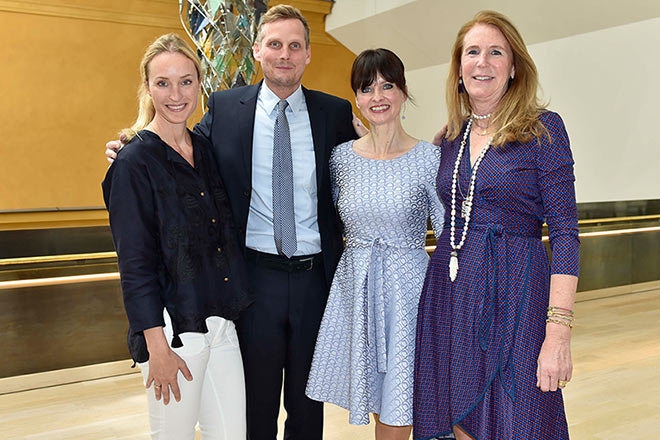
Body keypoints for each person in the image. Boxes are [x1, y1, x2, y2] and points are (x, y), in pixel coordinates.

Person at [106, 5, 359, 439]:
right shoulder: (226, 109)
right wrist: (130, 143)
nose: (284, 54)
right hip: (252, 281)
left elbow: (367, 163)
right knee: (251, 410)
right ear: (258, 50)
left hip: (316, 279)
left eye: (294, 45)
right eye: (275, 44)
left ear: (308, 54)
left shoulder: (334, 114)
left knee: (308, 408)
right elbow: (171, 148)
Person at [413, 10, 580, 440]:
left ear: (513, 68)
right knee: (459, 422)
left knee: (520, 417)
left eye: (495, 52)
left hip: (517, 298)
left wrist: (558, 330)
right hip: (451, 296)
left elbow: (564, 232)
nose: (482, 62)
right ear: (459, 68)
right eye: (472, 52)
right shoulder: (451, 136)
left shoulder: (544, 130)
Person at [102, 33, 252, 439]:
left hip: (221, 321)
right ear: (147, 87)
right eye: (163, 82)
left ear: (200, 85)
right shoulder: (133, 162)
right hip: (173, 333)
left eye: (186, 81)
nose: (175, 94)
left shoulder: (203, 148)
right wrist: (157, 348)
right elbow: (134, 265)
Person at [304, 49, 445, 440]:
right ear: (357, 98)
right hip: (357, 290)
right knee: (379, 400)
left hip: (410, 295)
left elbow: (449, 233)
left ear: (402, 92)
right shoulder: (340, 160)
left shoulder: (429, 158)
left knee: (400, 403)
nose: (378, 97)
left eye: (387, 86)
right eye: (367, 89)